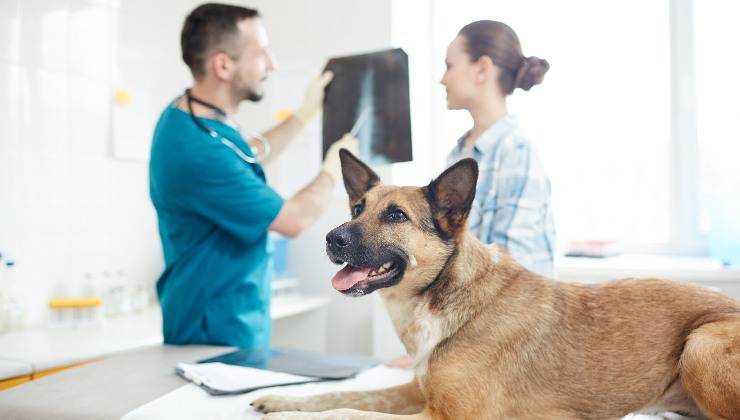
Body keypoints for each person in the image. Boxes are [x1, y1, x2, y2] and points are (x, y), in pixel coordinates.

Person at [149, 3, 357, 349]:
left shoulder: (191, 120)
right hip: (211, 335)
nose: (272, 64)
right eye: (261, 53)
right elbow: (293, 220)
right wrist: (334, 170)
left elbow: (247, 155)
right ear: (223, 65)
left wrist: (303, 115)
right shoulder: (196, 150)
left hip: (230, 322)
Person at [441, 20, 556, 277]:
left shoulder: (516, 153)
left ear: (482, 69)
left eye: (449, 66)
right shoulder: (457, 154)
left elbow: (512, 269)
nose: (442, 79)